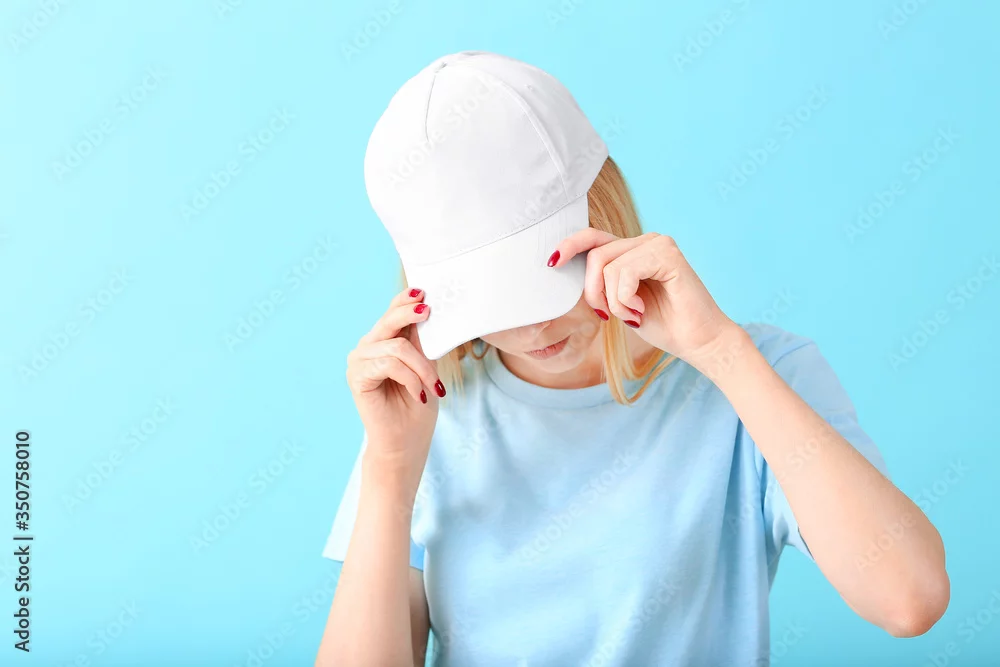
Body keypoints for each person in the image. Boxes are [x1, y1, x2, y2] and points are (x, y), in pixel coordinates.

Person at [314, 51, 949, 667]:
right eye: (488, 300)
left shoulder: (762, 375)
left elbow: (909, 600)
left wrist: (720, 352)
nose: (531, 326)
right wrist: (390, 470)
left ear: (602, 207)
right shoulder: (424, 415)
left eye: (539, 278)